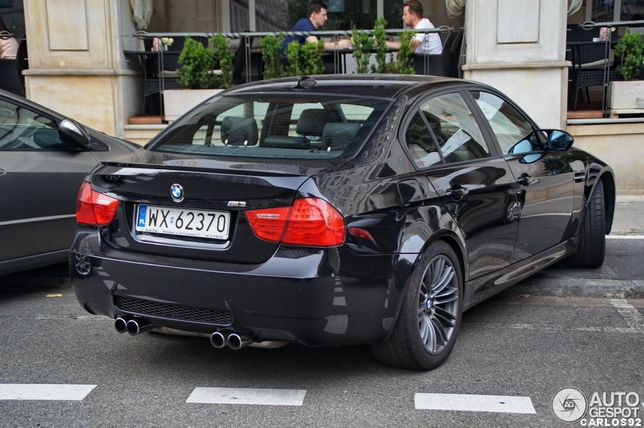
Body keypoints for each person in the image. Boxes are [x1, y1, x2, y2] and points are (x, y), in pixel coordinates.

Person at [282, 0, 350, 55]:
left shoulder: (310, 27)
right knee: (333, 65)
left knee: (332, 61)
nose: (326, 18)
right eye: (323, 15)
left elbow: (320, 43)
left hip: (296, 64)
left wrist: (336, 41)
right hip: (291, 66)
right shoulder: (304, 24)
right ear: (314, 15)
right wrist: (338, 44)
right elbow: (316, 46)